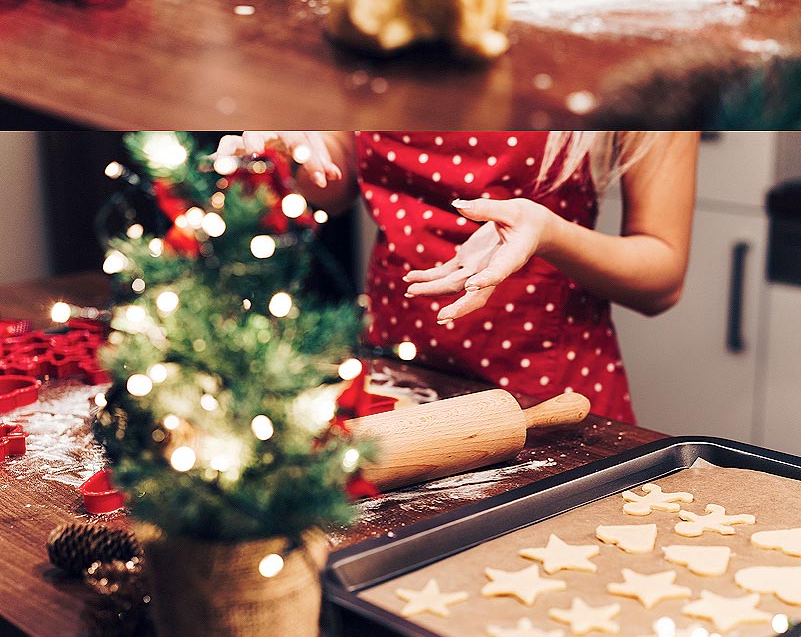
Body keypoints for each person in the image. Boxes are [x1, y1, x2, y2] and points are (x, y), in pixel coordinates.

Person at [214, 131, 699, 420]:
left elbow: (662, 277)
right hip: (394, 377)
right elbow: (334, 186)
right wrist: (293, 152)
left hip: (549, 392)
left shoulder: (625, 25)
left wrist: (549, 233)